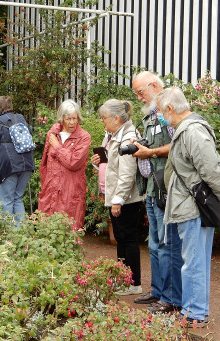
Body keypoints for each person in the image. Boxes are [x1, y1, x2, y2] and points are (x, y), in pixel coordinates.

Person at [156, 87, 220, 326]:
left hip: (192, 207)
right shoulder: (188, 129)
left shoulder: (192, 131)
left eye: (163, 112)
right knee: (195, 261)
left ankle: (193, 314)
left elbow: (211, 166)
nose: (162, 117)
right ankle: (195, 312)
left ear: (170, 109)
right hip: (190, 205)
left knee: (193, 262)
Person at [130, 71, 183, 314]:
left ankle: (170, 299)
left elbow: (177, 145)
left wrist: (149, 153)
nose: (139, 97)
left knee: (166, 244)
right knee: (153, 244)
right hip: (152, 188)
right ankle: (158, 291)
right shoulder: (152, 114)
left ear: (153, 86)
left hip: (165, 188)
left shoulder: (167, 111)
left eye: (140, 92)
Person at [90, 99, 143, 296]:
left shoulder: (128, 137)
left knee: (127, 239)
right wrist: (98, 162)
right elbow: (111, 163)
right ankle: (123, 279)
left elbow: (128, 172)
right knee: (121, 238)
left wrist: (118, 199)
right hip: (117, 196)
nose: (102, 121)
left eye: (104, 118)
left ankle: (133, 282)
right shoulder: (113, 135)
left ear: (116, 118)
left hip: (126, 199)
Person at [38, 100, 91, 230]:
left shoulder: (83, 137)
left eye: (75, 118)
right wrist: (45, 186)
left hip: (70, 192)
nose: (72, 122)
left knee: (69, 230)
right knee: (47, 231)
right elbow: (44, 164)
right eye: (68, 119)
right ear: (62, 119)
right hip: (50, 191)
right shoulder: (53, 134)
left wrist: (57, 147)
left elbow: (74, 162)